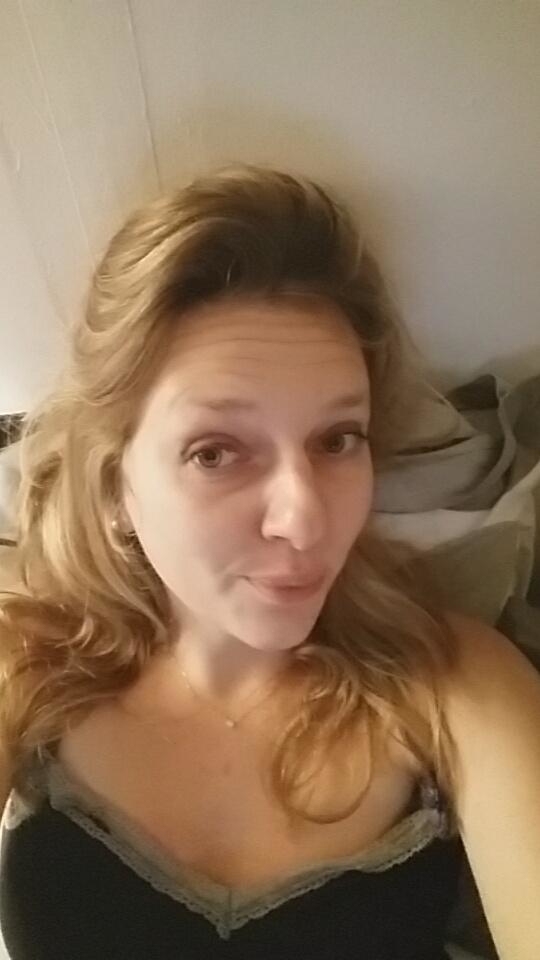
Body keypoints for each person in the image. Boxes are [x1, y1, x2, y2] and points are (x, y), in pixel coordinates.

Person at [0, 163, 538, 960]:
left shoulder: (455, 686)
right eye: (216, 452)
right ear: (115, 484)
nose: (306, 518)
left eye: (337, 439)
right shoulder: (24, 665)